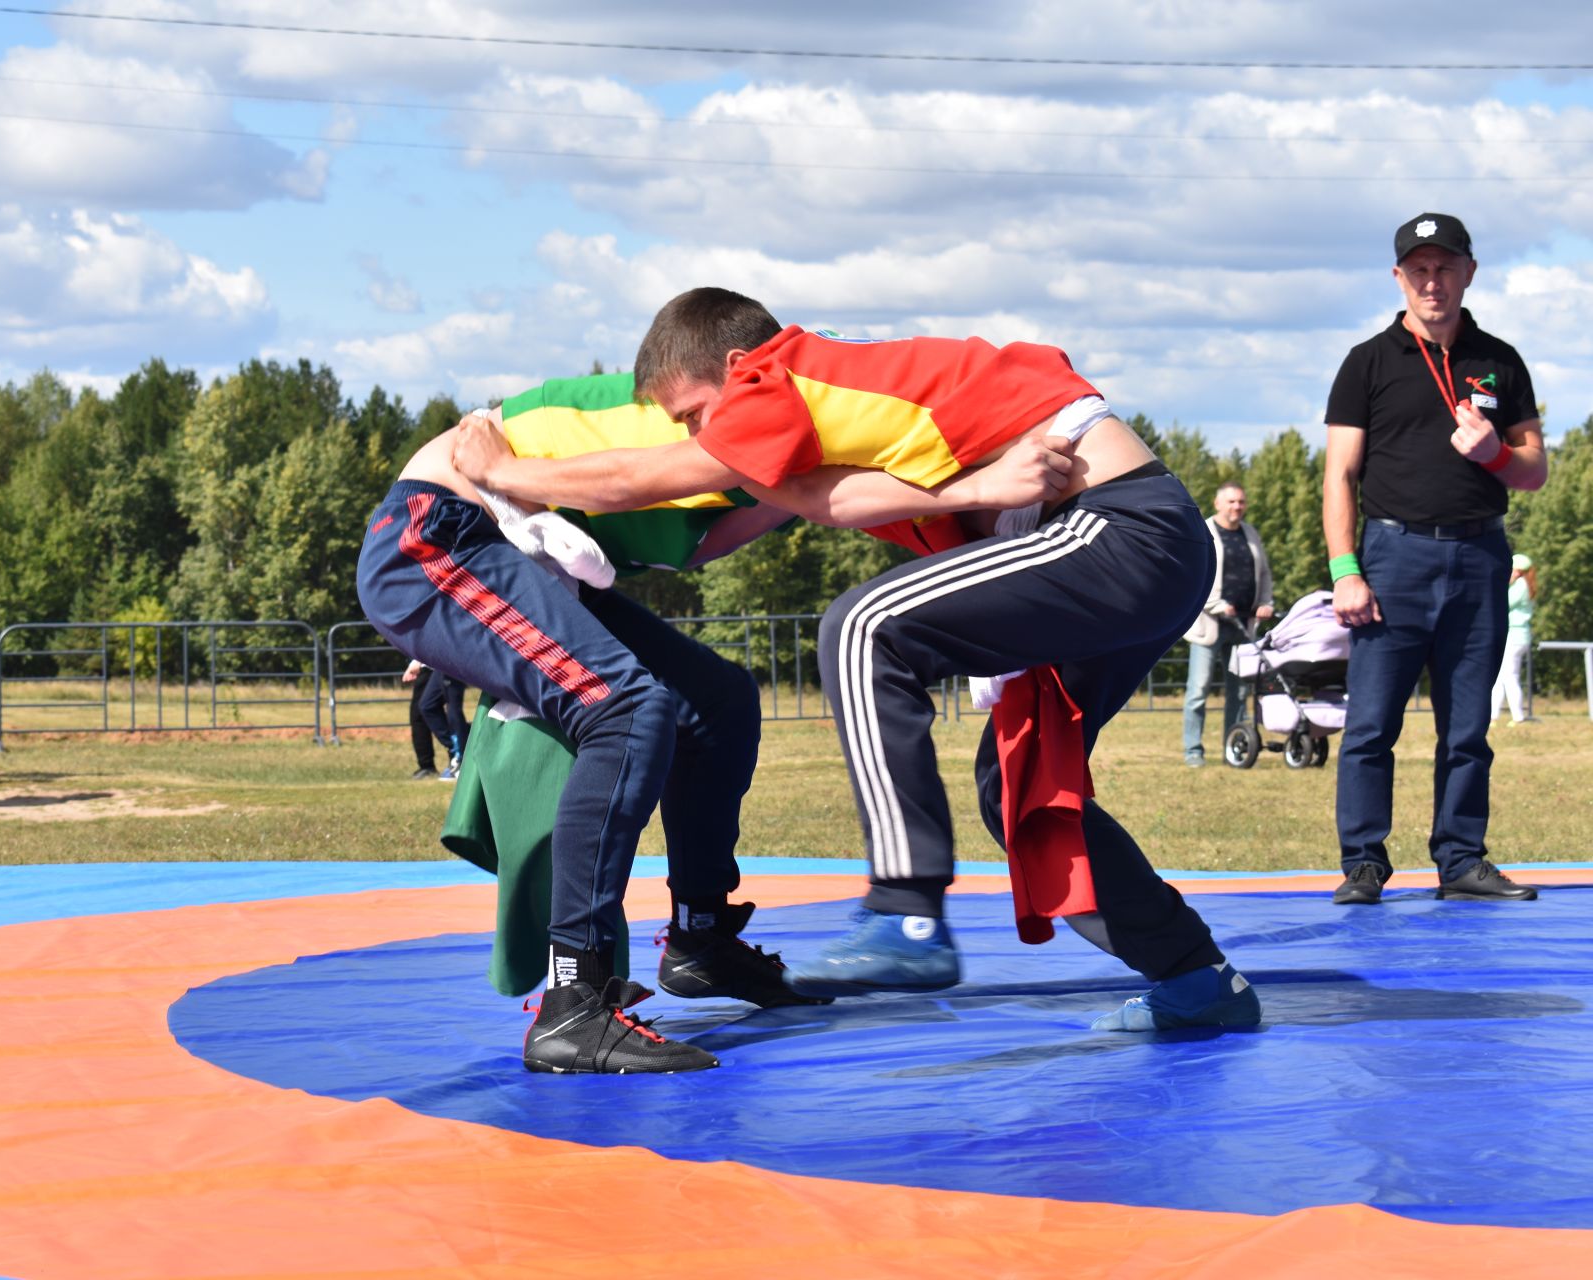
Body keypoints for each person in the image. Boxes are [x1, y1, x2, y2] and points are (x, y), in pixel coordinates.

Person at [453, 288, 1260, 1033]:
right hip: (1116, 545)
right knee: (1014, 790)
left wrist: (502, 470)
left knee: (863, 625)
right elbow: (788, 508)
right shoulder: (829, 412)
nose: (701, 437)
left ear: (739, 369)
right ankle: (1196, 978)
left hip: (1120, 528)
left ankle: (906, 909)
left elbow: (647, 476)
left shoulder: (782, 373)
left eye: (695, 413)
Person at [357, 370, 828, 1075]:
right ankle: (572, 1004)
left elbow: (699, 544)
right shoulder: (684, 415)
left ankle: (700, 939)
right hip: (434, 536)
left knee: (719, 700)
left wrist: (814, 495)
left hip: (511, 551)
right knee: (631, 709)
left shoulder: (763, 429)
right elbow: (626, 483)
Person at [1324, 213, 1550, 907]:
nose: (1433, 281)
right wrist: (1346, 570)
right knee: (1370, 725)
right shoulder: (1369, 361)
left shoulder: (1499, 360)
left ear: (1469, 273)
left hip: (1481, 554)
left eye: (1445, 267)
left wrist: (1495, 455)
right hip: (1393, 555)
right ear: (1399, 277)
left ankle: (1461, 859)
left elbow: (1534, 469)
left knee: (1468, 725)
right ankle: (1364, 863)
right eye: (1418, 269)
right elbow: (1339, 475)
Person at [1181, 483, 1275, 766]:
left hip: (1243, 624)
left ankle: (1232, 748)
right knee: (1199, 689)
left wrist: (1266, 602)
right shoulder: (1204, 531)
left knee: (1239, 691)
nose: (1237, 506)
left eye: (1241, 502)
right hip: (1209, 625)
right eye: (1232, 501)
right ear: (1218, 503)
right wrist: (1218, 605)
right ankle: (1193, 751)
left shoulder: (1251, 534)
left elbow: (1265, 573)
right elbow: (1194, 574)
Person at [1490, 553, 1537, 725]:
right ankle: (1492, 716)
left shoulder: (1520, 585)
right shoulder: (1526, 584)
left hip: (1514, 636)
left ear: (1518, 570)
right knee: (1502, 678)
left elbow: (1504, 602)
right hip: (1518, 636)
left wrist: (1506, 583)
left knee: (1510, 677)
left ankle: (1518, 717)